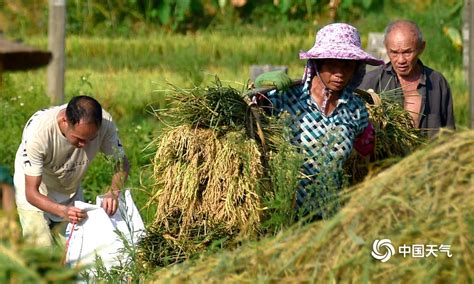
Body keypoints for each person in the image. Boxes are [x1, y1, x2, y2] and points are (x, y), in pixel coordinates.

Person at [254, 23, 383, 217]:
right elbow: (248, 117)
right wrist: (258, 88)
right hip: (286, 213)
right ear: (317, 63)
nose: (339, 73)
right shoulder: (285, 98)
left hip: (330, 215)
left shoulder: (356, 109)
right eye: (332, 64)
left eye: (347, 65)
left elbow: (366, 160)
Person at [14, 95, 130, 246]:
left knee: (75, 253)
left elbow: (121, 163)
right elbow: (31, 193)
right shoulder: (38, 133)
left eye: (91, 139)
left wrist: (114, 192)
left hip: (69, 188)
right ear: (65, 121)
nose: (84, 145)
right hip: (35, 190)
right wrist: (62, 211)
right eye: (79, 139)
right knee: (42, 248)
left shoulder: (105, 124)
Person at [358, 20, 455, 137]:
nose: (401, 60)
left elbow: (449, 134)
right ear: (386, 48)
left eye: (407, 52)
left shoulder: (437, 83)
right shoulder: (370, 82)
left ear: (421, 48)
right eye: (394, 53)